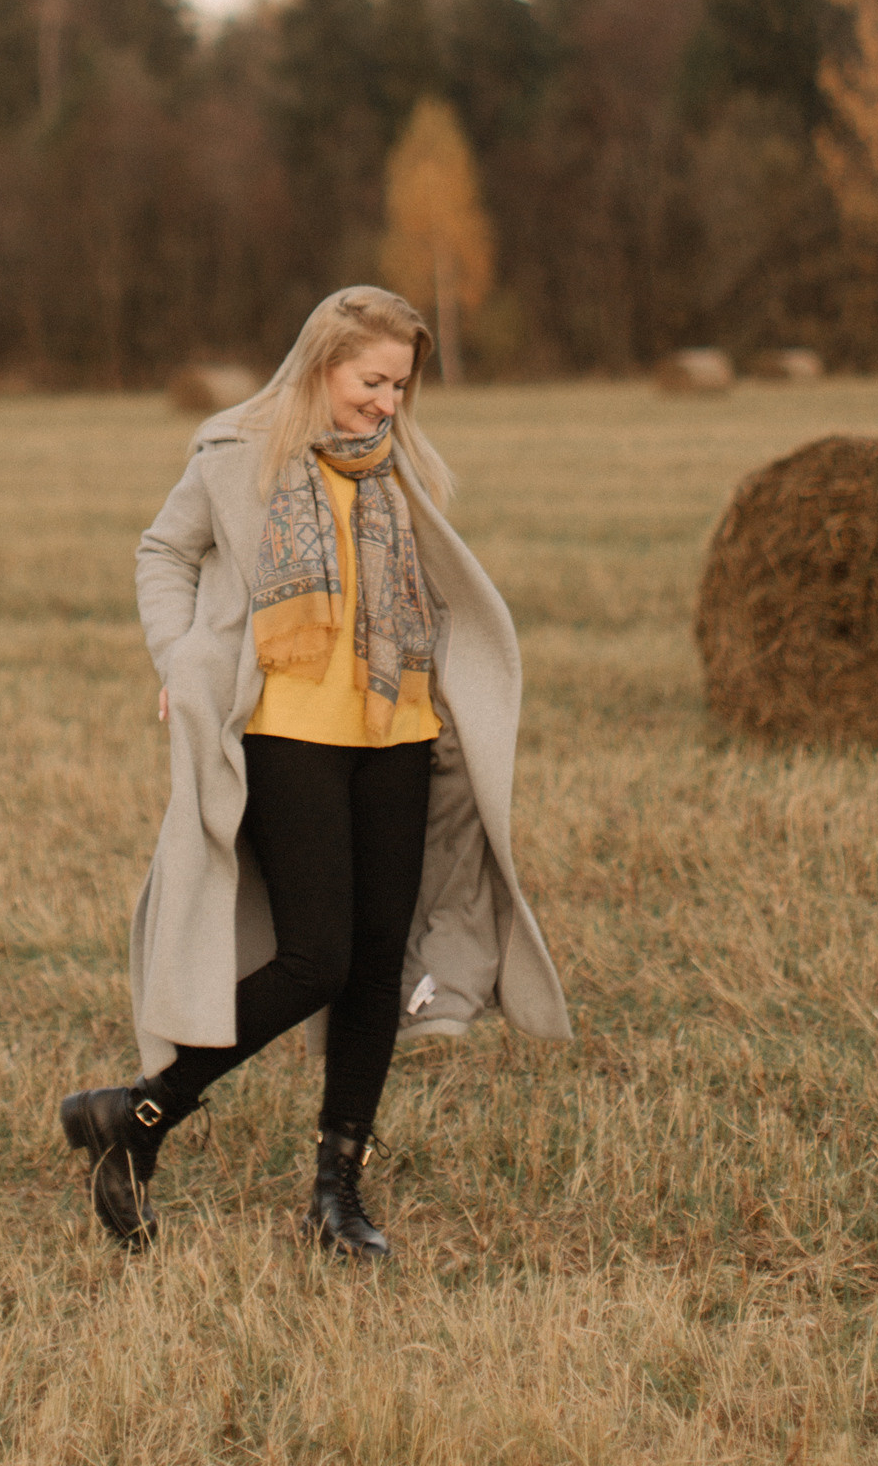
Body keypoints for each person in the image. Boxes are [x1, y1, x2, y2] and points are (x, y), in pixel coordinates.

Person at [61, 285, 569, 1260]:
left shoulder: (398, 467)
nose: (386, 402)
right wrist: (178, 662)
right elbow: (162, 552)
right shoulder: (235, 455)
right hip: (285, 730)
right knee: (315, 959)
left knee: (376, 965)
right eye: (369, 381)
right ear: (319, 365)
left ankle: (336, 1194)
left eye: (399, 386)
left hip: (399, 729)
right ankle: (142, 1115)